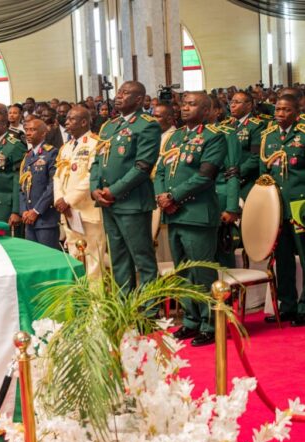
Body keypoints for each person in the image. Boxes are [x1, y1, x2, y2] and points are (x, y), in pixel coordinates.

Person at [155, 91, 226, 347]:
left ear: (206, 111)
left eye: (192, 104)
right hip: (174, 215)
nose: (185, 108)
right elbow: (161, 170)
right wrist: (161, 195)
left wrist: (173, 196)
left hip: (197, 214)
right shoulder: (175, 136)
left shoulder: (214, 137)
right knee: (183, 271)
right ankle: (191, 321)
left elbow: (205, 175)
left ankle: (211, 323)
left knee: (202, 272)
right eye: (183, 104)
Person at [90, 80, 160, 292]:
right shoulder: (109, 126)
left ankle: (149, 311)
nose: (119, 95)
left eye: (125, 93)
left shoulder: (147, 124)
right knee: (118, 257)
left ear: (138, 99)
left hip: (131, 203)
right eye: (119, 92)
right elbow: (96, 162)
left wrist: (114, 190)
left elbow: (142, 167)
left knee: (142, 259)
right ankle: (125, 308)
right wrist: (94, 190)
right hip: (107, 203)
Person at [259, 95, 305, 327]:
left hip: (300, 205)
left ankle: (304, 308)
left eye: (286, 110)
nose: (280, 113)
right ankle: (287, 306)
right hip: (276, 208)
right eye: (278, 109)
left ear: (297, 113)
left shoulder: (303, 134)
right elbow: (263, 175)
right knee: (282, 258)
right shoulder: (268, 136)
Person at [55, 106, 106, 278]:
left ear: (84, 122)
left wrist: (68, 199)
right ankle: (79, 301)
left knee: (93, 261)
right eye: (67, 118)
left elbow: (92, 177)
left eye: (71, 119)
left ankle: (95, 304)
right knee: (74, 258)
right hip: (68, 212)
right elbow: (57, 176)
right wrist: (60, 199)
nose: (66, 122)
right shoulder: (66, 147)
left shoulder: (96, 143)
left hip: (87, 210)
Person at [209, 96, 242, 268]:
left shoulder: (227, 134)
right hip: (194, 201)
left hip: (219, 195)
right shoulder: (186, 134)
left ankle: (226, 294)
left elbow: (232, 172)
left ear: (217, 111)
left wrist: (231, 207)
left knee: (221, 253)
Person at [19, 118, 59, 249]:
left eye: (33, 130)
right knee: (33, 257)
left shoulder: (51, 153)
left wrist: (36, 211)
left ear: (43, 133)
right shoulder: (28, 156)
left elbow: (53, 186)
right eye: (27, 130)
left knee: (49, 259)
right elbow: (22, 187)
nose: (28, 133)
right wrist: (24, 210)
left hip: (45, 218)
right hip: (28, 220)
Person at [225, 91, 264, 199]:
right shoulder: (227, 125)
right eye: (231, 102)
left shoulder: (256, 126)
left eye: (237, 102)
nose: (232, 105)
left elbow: (256, 157)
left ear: (249, 105)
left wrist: (238, 172)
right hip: (227, 179)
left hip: (247, 180)